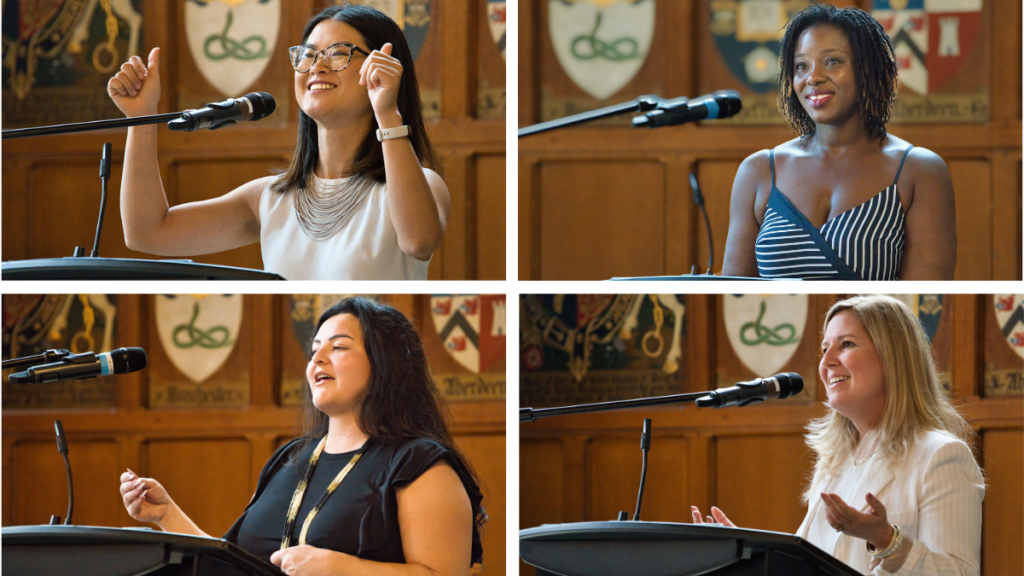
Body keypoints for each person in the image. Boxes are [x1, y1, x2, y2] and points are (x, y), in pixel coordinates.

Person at [119, 297, 485, 576]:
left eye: (338, 347)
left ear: (386, 362)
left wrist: (341, 569)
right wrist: (167, 515)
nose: (317, 359)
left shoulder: (420, 464)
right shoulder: (290, 458)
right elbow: (231, 565)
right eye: (314, 350)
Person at [107, 4, 449, 280]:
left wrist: (387, 112)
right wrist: (141, 116)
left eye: (338, 53)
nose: (317, 67)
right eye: (308, 55)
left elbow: (419, 241)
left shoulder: (420, 185)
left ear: (382, 69)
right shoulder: (269, 198)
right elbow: (148, 232)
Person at [691, 295, 984, 575]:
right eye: (824, 348)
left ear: (893, 357)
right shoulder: (834, 461)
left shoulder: (941, 455)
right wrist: (749, 553)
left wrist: (886, 539)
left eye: (845, 344)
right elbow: (808, 567)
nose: (826, 361)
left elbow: (960, 572)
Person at [722, 4, 956, 280]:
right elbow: (734, 291)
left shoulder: (919, 171)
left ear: (868, 69)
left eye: (832, 61)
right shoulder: (758, 171)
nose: (813, 77)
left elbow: (923, 299)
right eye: (801, 66)